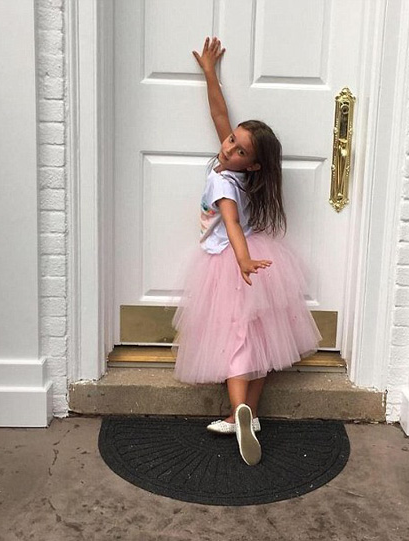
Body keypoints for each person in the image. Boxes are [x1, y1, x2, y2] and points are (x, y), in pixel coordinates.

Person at [172, 37, 322, 466]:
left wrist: (240, 261)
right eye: (231, 141)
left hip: (232, 262)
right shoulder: (241, 173)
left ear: (251, 164)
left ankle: (238, 409)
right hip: (258, 258)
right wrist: (209, 74)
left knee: (235, 339)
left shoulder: (223, 181)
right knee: (261, 338)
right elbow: (220, 113)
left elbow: (232, 224)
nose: (228, 147)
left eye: (239, 150)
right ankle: (250, 415)